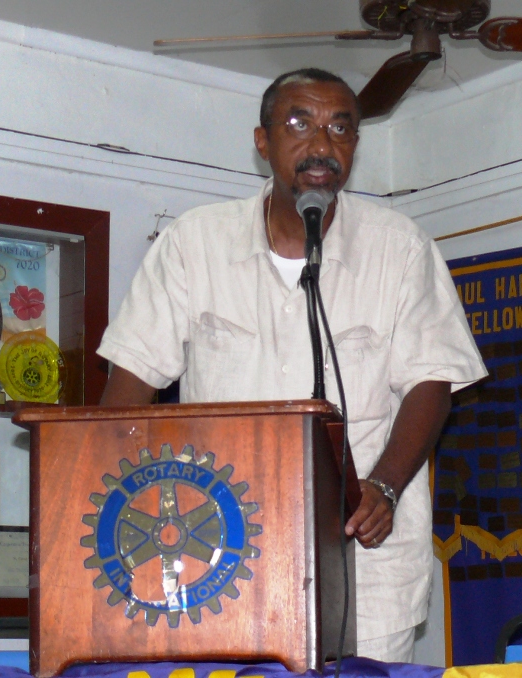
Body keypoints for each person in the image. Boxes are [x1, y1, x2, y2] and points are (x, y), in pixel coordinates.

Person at [96, 68, 487, 662]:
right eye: (299, 124)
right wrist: (124, 517)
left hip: (365, 561)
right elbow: (128, 387)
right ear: (263, 142)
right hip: (215, 556)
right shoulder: (192, 245)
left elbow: (431, 383)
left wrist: (383, 485)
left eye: (340, 128)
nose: (322, 146)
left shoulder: (401, 249)